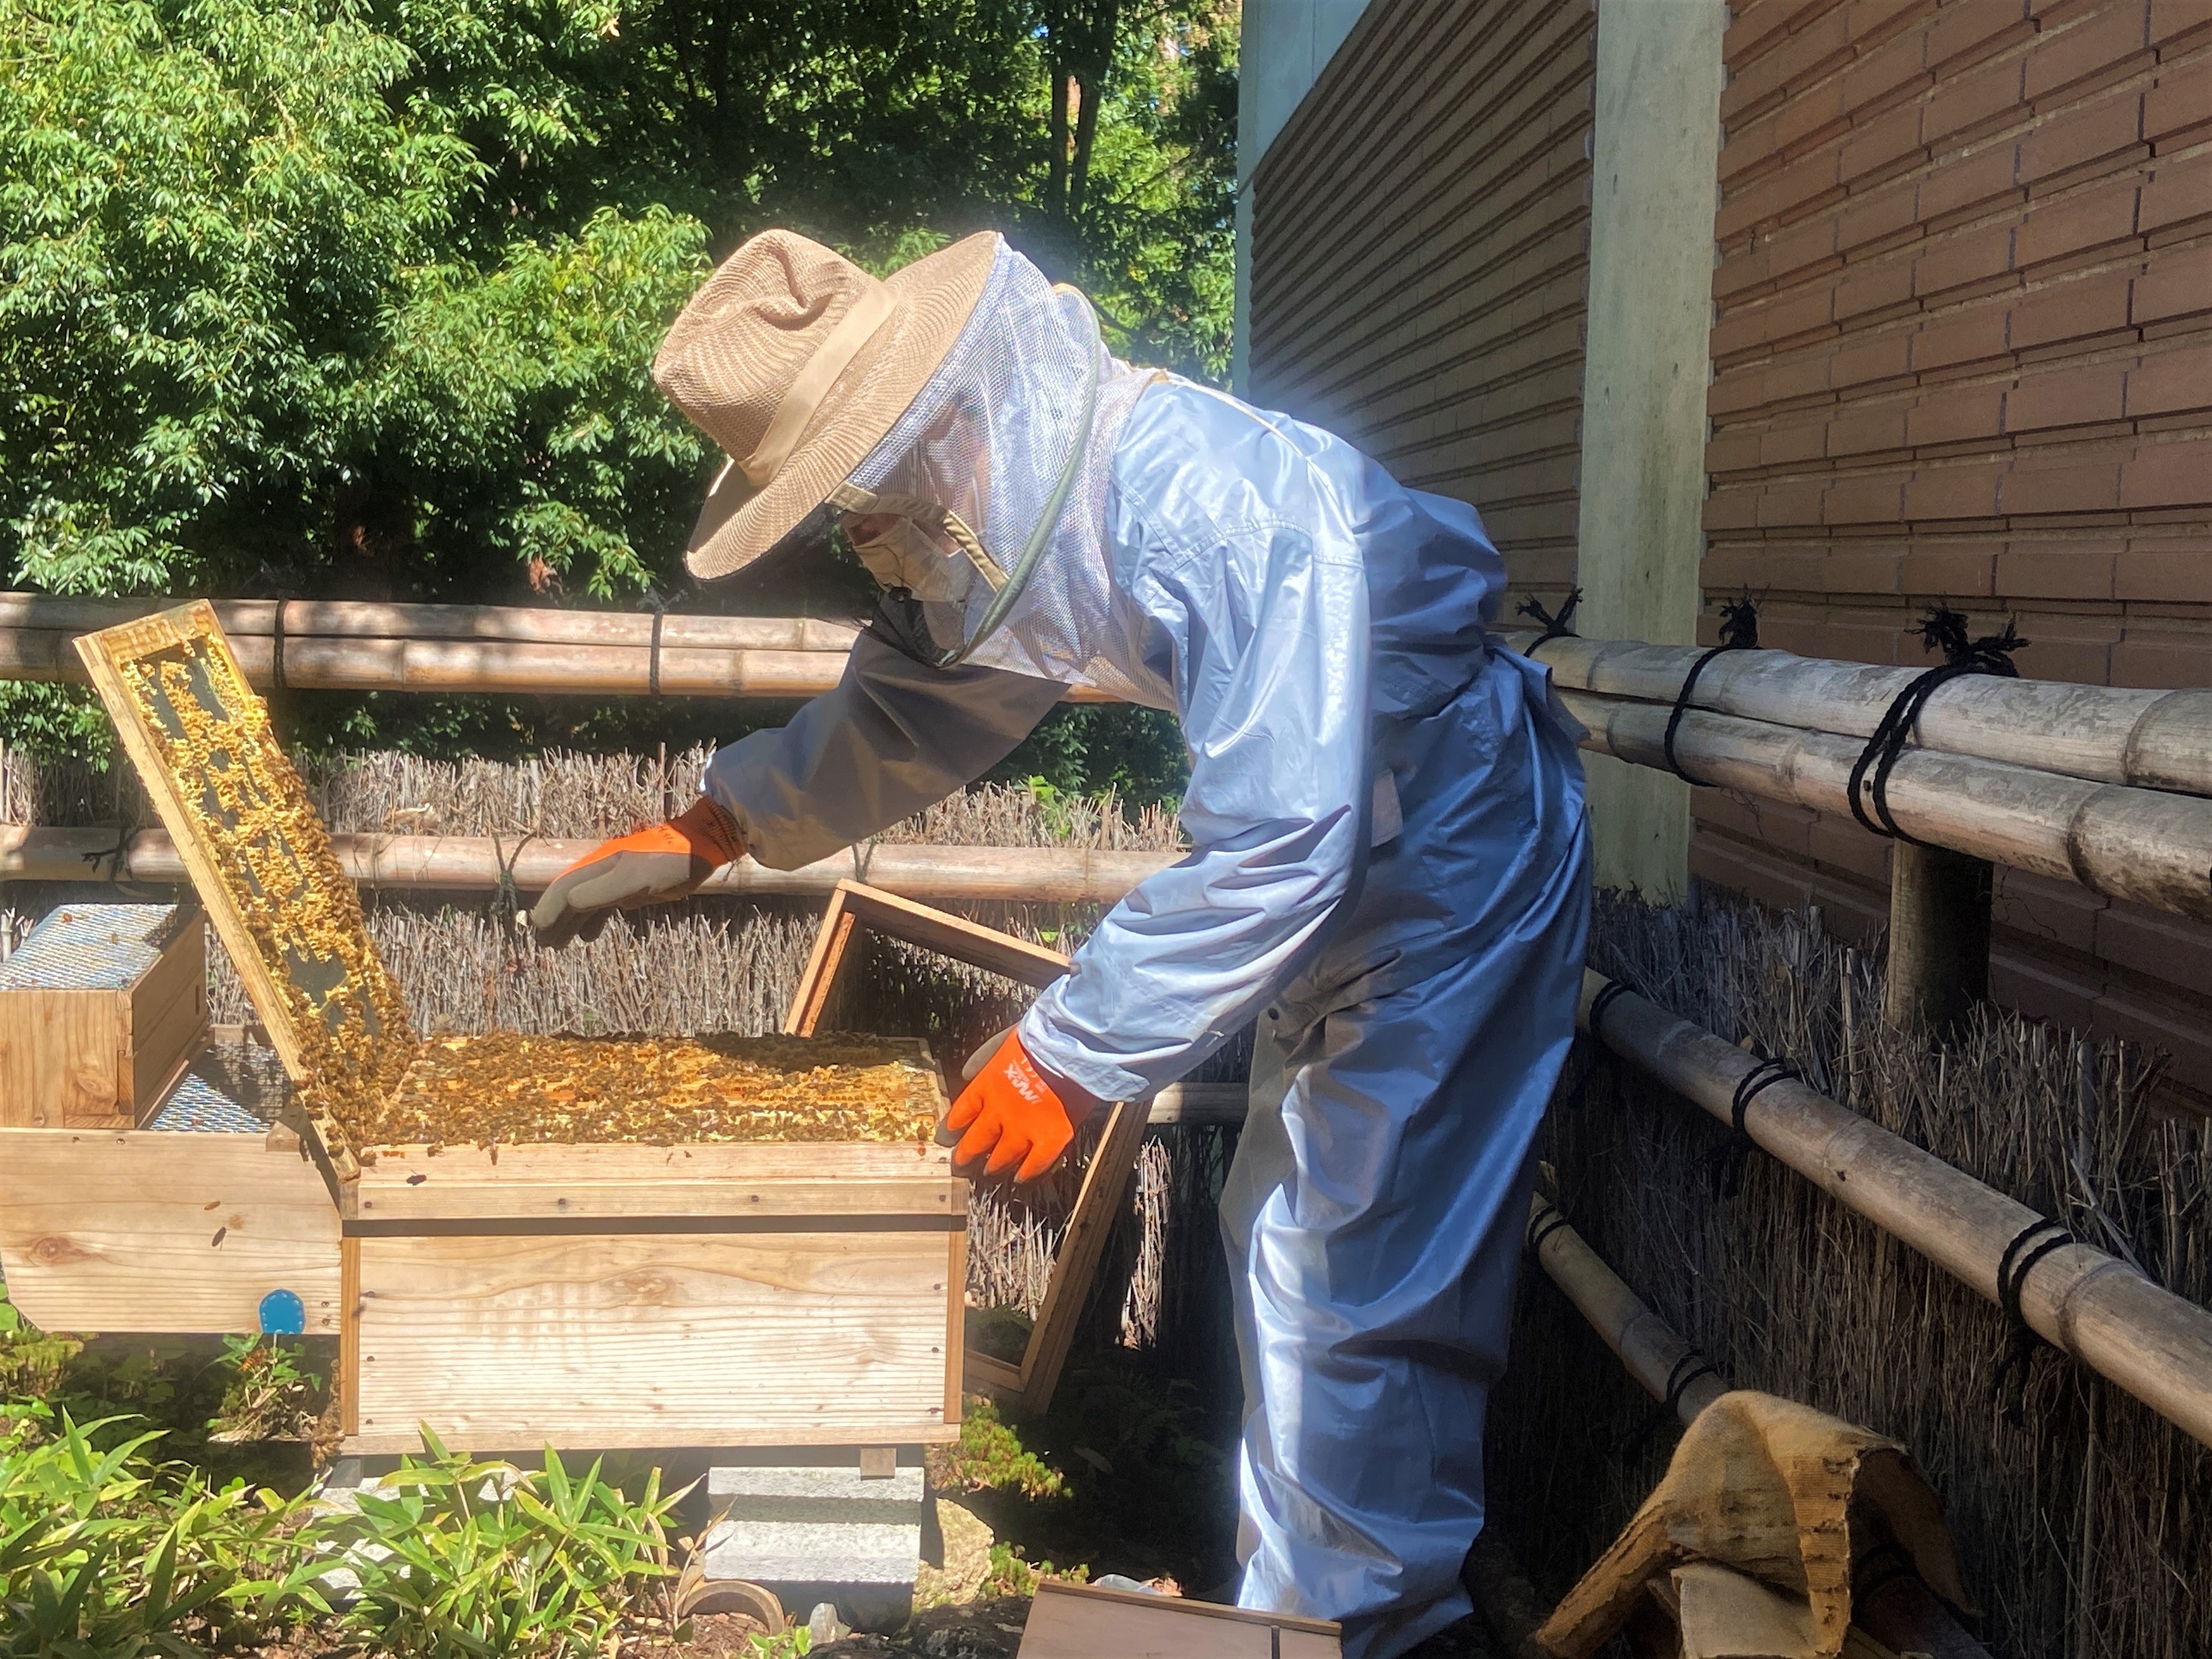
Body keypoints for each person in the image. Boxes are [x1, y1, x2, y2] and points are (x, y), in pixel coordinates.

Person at [530, 229, 1591, 1658]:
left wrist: (1070, 1051)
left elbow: (1287, 831)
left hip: (1452, 856)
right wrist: (721, 821)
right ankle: (1313, 1613)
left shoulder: (1215, 506)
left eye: (862, 497)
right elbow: (920, 698)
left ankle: (1371, 1632)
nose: (868, 538)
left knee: (1353, 1273)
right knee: (1288, 1243)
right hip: (1359, 857)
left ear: (946, 421)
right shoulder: (1045, 511)